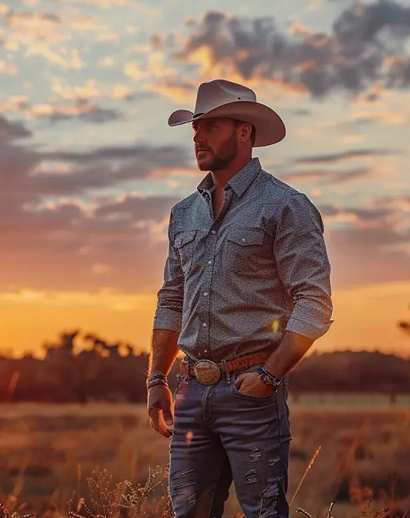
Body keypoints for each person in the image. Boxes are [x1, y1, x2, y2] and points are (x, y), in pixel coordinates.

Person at [147, 79, 333, 518]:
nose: (197, 135)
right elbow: (172, 298)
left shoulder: (285, 206)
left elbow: (314, 300)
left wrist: (269, 375)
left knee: (263, 514)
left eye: (209, 125)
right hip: (191, 391)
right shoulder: (183, 213)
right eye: (195, 127)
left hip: (252, 392)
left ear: (244, 132)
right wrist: (157, 378)